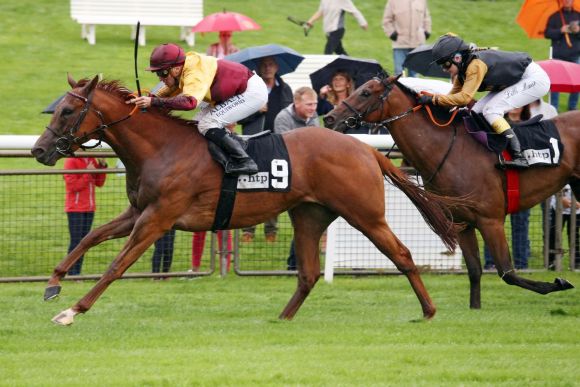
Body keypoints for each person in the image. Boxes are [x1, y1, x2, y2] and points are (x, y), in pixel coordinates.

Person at [127, 43, 268, 175]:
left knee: (207, 124)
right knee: (195, 125)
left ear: (175, 69)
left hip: (250, 92)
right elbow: (171, 89)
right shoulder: (183, 68)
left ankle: (245, 161)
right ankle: (227, 150)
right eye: (157, 73)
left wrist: (152, 101)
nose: (160, 78)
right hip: (236, 91)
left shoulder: (194, 72)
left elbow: (189, 103)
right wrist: (150, 97)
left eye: (161, 73)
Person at [419, 33, 551, 168]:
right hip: (516, 79)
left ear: (457, 58)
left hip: (534, 79)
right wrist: (433, 103)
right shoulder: (463, 71)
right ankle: (492, 149)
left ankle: (519, 155)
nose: (444, 69)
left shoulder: (475, 65)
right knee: (476, 111)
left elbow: (464, 98)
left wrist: (433, 99)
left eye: (446, 64)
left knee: (492, 110)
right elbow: (452, 97)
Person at [238, 56, 293, 242]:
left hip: (277, 143)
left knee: (274, 185)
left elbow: (289, 114)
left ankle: (271, 230)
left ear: (277, 67)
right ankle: (248, 229)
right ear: (259, 69)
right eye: (264, 65)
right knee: (250, 184)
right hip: (253, 142)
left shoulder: (285, 89)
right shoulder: (250, 89)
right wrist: (256, 109)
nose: (268, 68)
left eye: (271, 65)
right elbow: (237, 117)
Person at [274, 87, 320, 270]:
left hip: (309, 176)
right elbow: (284, 148)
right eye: (309, 104)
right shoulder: (282, 118)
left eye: (315, 104)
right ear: (297, 103)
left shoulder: (313, 117)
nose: (313, 108)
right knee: (300, 222)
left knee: (307, 222)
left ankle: (297, 264)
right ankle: (295, 263)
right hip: (288, 174)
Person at [483, 106, 532, 270]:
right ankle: (491, 263)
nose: (516, 107)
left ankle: (521, 263)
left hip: (521, 185)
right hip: (496, 186)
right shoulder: (494, 125)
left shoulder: (528, 128)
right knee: (492, 226)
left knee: (521, 225)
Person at [64, 157, 108, 275]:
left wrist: (102, 166)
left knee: (84, 242)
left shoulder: (91, 159)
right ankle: (71, 272)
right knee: (76, 242)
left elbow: (99, 183)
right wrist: (88, 172)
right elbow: (72, 186)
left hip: (89, 209)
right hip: (75, 209)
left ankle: (76, 272)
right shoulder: (71, 161)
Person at [544, 0, 579, 112]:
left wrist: (578, 31)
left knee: (577, 81)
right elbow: (547, 33)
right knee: (555, 83)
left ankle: (572, 107)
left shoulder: (578, 15)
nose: (567, 1)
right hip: (558, 54)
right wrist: (560, 30)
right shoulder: (554, 17)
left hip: (575, 54)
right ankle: (554, 108)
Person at [382, 0, 432, 77]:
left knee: (414, 74)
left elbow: (426, 18)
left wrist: (427, 31)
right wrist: (392, 34)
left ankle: (412, 89)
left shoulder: (422, 1)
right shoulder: (393, 1)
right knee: (399, 74)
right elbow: (386, 20)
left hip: (417, 45)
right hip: (400, 44)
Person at [548, 184, 580, 269]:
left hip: (577, 209)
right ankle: (552, 261)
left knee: (574, 235)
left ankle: (576, 261)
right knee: (554, 234)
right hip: (558, 207)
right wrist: (561, 199)